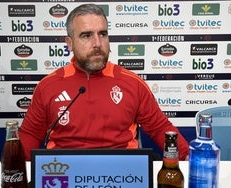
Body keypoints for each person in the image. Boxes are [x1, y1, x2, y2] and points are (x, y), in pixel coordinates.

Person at [19, 3, 189, 161]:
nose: (97, 43)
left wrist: (189, 158)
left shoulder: (132, 83)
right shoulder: (48, 86)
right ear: (69, 43)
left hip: (123, 172)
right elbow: (31, 134)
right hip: (63, 170)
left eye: (103, 34)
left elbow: (160, 128)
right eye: (86, 35)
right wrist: (18, 170)